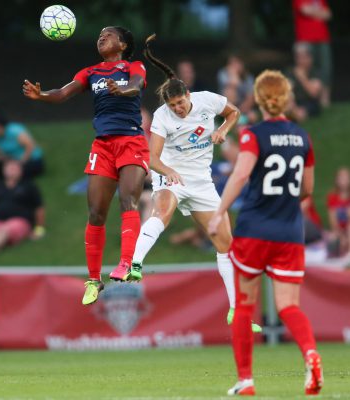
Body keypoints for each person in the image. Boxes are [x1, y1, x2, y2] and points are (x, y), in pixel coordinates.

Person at [129, 35, 260, 332]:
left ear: (188, 94)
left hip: (202, 182)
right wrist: (168, 172)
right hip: (171, 174)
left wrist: (224, 130)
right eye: (172, 105)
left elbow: (234, 112)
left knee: (226, 245)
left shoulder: (207, 100)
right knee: (161, 212)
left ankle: (236, 312)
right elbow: (152, 157)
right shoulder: (162, 116)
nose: (177, 108)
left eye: (180, 102)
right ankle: (134, 264)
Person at [208, 70, 323, 396]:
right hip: (289, 232)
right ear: (286, 98)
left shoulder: (252, 134)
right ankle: (311, 355)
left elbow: (241, 174)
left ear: (259, 99)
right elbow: (308, 189)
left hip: (254, 231)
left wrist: (218, 213)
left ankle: (246, 380)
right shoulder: (303, 137)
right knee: (289, 307)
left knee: (244, 306)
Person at [23, 26, 149, 305]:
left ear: (123, 45)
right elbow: (64, 92)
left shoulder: (133, 66)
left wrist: (124, 88)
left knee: (128, 200)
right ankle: (94, 280)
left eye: (108, 35)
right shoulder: (90, 72)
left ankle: (126, 263)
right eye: (99, 34)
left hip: (130, 140)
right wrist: (42, 96)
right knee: (95, 213)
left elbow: (138, 84)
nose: (101, 37)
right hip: (102, 146)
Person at [0, 160, 45, 259]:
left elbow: (39, 208)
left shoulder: (29, 186)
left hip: (20, 221)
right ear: (4, 170)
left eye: (15, 168)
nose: (12, 170)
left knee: (6, 230)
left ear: (20, 170)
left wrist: (39, 229)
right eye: (9, 167)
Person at [0, 116, 45, 181]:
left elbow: (30, 146)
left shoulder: (14, 131)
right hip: (11, 160)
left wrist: (20, 162)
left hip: (30, 159)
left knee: (17, 171)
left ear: (1, 127)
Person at [293, 0, 332, 106]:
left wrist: (313, 12)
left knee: (325, 67)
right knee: (306, 69)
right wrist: (319, 13)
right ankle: (306, 98)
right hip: (305, 37)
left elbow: (328, 14)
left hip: (322, 37)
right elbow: (304, 10)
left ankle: (325, 99)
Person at [286, 43, 324, 122]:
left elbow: (313, 93)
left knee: (306, 110)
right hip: (294, 103)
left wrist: (302, 78)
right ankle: (294, 113)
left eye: (303, 57)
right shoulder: (290, 72)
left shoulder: (315, 72)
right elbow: (287, 92)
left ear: (310, 58)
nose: (301, 61)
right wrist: (294, 107)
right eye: (298, 57)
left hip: (309, 103)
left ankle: (295, 114)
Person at [326, 167, 350, 256]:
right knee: (332, 239)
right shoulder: (332, 197)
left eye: (346, 178)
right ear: (337, 180)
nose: (344, 181)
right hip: (339, 231)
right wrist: (342, 236)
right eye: (341, 178)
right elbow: (333, 221)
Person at [217, 55, 257, 124]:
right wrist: (233, 74)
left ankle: (239, 120)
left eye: (236, 63)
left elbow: (250, 97)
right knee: (230, 90)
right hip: (224, 108)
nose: (234, 66)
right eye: (231, 64)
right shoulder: (223, 73)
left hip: (240, 109)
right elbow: (233, 85)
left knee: (252, 116)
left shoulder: (248, 77)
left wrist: (240, 111)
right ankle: (230, 119)